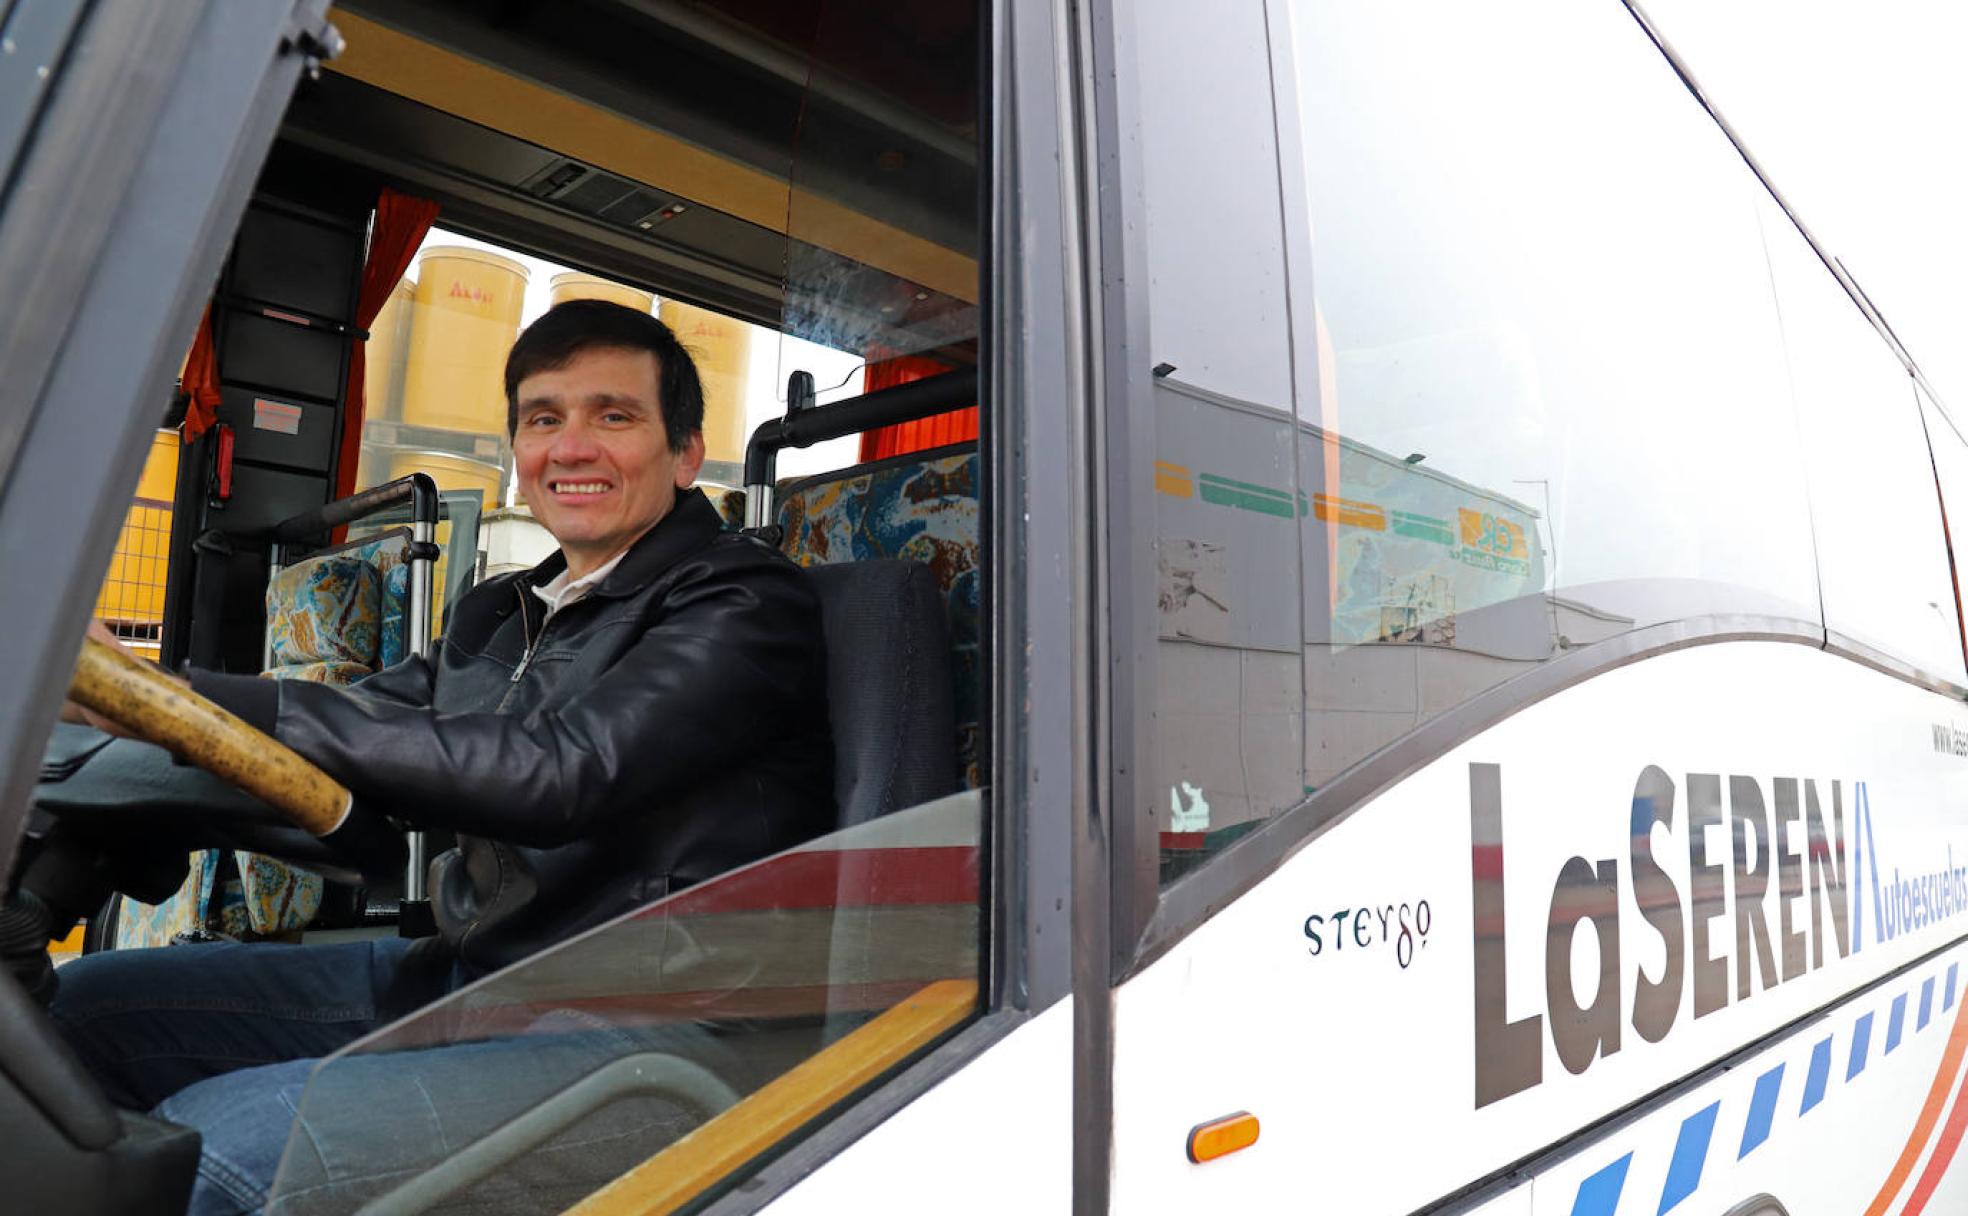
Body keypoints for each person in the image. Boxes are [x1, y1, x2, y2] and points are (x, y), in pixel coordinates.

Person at [50, 300, 835, 1213]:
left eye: (613, 416)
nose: (571, 447)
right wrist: (150, 723)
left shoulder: (744, 602)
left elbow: (560, 772)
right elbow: (366, 728)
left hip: (655, 1027)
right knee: (80, 1013)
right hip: (478, 976)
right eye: (543, 419)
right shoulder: (501, 610)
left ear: (688, 452)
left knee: (223, 1150)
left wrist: (199, 703)